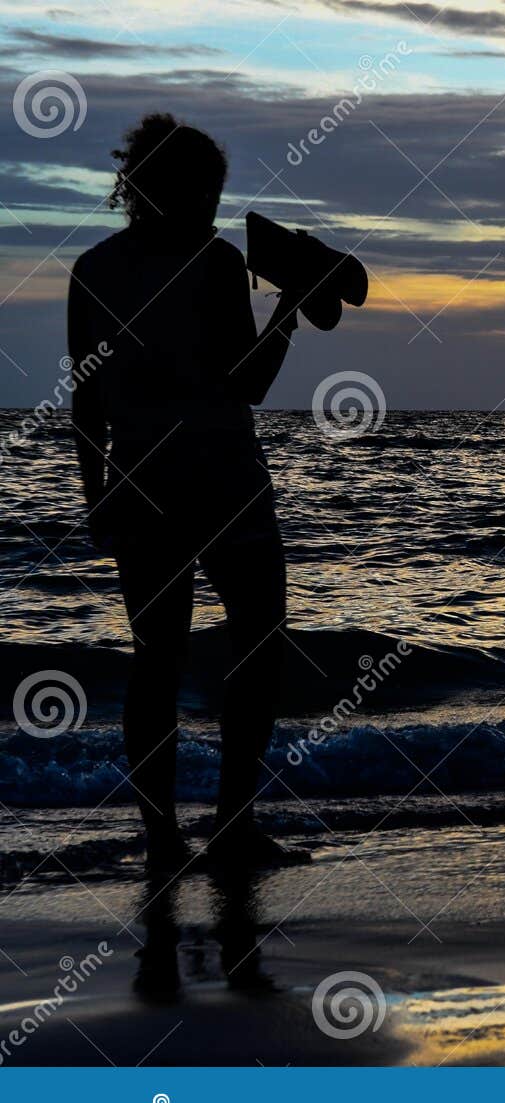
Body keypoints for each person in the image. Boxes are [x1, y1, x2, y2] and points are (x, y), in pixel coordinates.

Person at [68, 113, 309, 871]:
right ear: (156, 187)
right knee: (257, 641)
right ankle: (229, 825)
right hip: (225, 483)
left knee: (156, 660)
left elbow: (85, 402)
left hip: (142, 489)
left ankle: (163, 836)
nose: (209, 203)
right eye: (199, 189)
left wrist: (96, 489)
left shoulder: (92, 269)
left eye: (214, 191)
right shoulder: (214, 264)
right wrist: (290, 309)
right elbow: (250, 384)